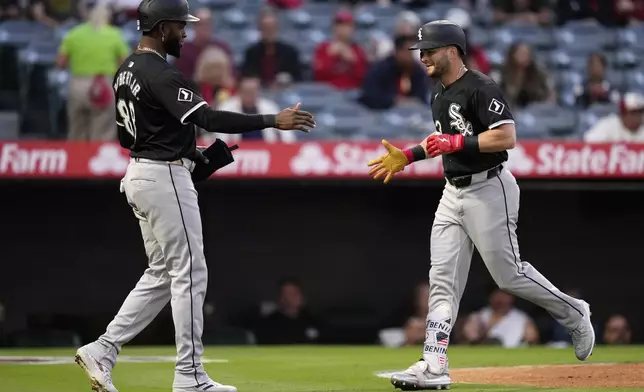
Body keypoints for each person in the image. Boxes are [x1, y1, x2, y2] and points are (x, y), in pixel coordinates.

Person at [72, 0, 315, 391]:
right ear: (161, 26)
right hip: (163, 177)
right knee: (190, 273)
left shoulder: (125, 70)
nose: (184, 32)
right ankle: (190, 375)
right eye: (179, 25)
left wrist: (192, 155)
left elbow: (128, 136)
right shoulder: (162, 73)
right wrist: (273, 120)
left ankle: (104, 348)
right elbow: (210, 119)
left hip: (139, 172)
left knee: (162, 273)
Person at [366, 20, 595, 390]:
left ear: (453, 51)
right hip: (452, 192)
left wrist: (457, 145)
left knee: (509, 276)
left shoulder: (481, 86)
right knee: (441, 283)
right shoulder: (438, 91)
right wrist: (408, 156)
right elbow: (442, 139)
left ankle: (573, 311)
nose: (422, 56)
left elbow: (506, 136)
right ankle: (434, 364)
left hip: (490, 188)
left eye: (430, 50)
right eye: (420, 51)